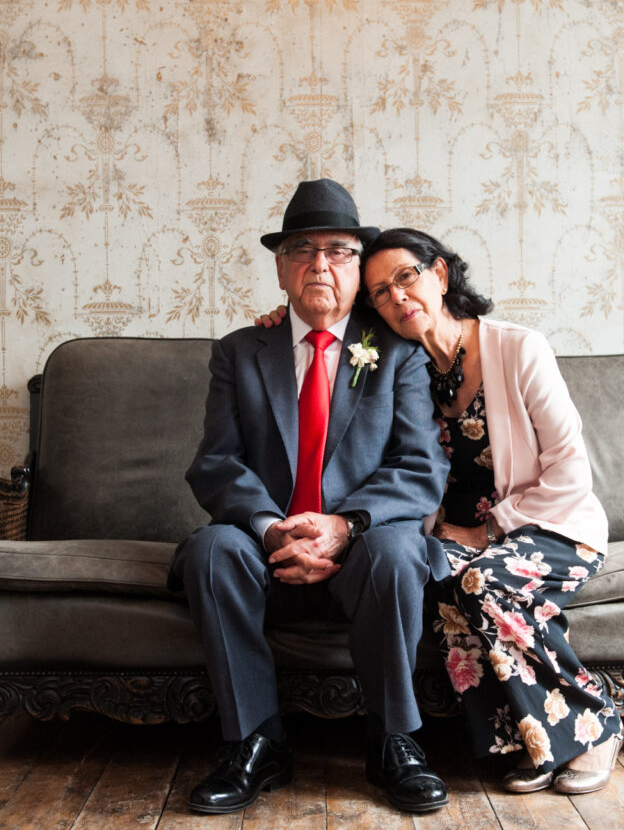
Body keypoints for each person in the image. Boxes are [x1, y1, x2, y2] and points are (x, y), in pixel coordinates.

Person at [261, 226, 624, 793]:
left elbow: (571, 472)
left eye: (406, 277)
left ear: (440, 275)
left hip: (552, 525)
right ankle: (538, 738)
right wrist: (282, 326)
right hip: (456, 535)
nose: (397, 297)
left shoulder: (518, 348)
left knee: (478, 581)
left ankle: (596, 725)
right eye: (379, 291)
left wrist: (490, 531)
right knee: (427, 577)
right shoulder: (401, 364)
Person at [170, 180, 452, 814]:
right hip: (265, 554)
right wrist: (271, 527)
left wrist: (344, 526)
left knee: (399, 549)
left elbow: (420, 467)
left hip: (363, 553)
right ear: (279, 267)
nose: (319, 265)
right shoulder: (239, 353)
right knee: (212, 550)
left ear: (358, 267)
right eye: (302, 249)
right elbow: (216, 464)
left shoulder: (398, 354)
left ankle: (393, 740)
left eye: (338, 251)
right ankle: (257, 742)